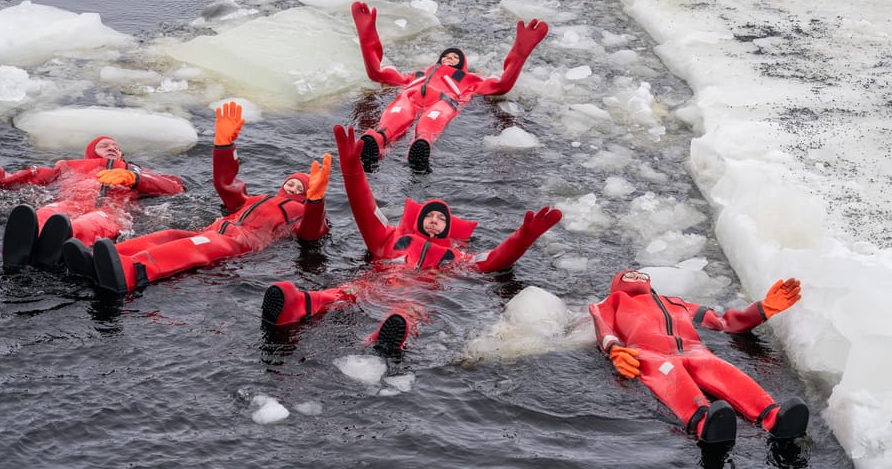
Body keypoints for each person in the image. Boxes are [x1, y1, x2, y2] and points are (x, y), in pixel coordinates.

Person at [260, 124, 563, 353]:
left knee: (406, 316)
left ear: (449, 229)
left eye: (441, 218)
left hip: (414, 298)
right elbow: (366, 208)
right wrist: (352, 169)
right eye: (429, 215)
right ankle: (295, 304)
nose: (434, 220)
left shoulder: (457, 259)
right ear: (417, 220)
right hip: (373, 284)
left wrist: (523, 238)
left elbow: (494, 259)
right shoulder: (389, 239)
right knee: (341, 293)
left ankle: (388, 337)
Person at [62, 101, 332, 295]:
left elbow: (311, 233)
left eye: (303, 188)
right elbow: (227, 186)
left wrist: (316, 201)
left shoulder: (301, 214)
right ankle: (101, 257)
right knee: (169, 235)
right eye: (293, 184)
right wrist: (224, 147)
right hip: (217, 229)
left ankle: (134, 271)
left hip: (238, 243)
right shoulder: (258, 199)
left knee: (194, 247)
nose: (296, 189)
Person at [589, 269, 809, 444]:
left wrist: (762, 309)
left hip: (696, 350)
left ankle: (773, 416)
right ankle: (704, 422)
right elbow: (602, 325)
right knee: (673, 380)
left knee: (726, 373)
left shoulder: (678, 303)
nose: (635, 276)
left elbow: (723, 323)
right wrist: (614, 348)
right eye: (628, 275)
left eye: (638, 274)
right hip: (650, 354)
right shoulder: (611, 302)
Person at [350, 1, 549, 172]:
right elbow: (376, 73)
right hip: (409, 97)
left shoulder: (471, 80)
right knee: (394, 118)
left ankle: (420, 146)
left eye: (455, 57)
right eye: (446, 55)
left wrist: (520, 51)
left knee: (430, 122)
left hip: (444, 101)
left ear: (462, 64)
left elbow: (502, 85)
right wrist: (367, 37)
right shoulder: (418, 75)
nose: (449, 58)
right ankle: (376, 141)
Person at [0, 135, 185, 271]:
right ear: (91, 153)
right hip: (68, 205)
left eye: (116, 147)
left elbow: (174, 186)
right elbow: (15, 180)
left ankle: (57, 249)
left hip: (108, 212)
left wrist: (135, 179)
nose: (112, 148)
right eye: (105, 146)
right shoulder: (67, 166)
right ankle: (20, 251)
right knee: (44, 213)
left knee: (88, 224)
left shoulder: (133, 170)